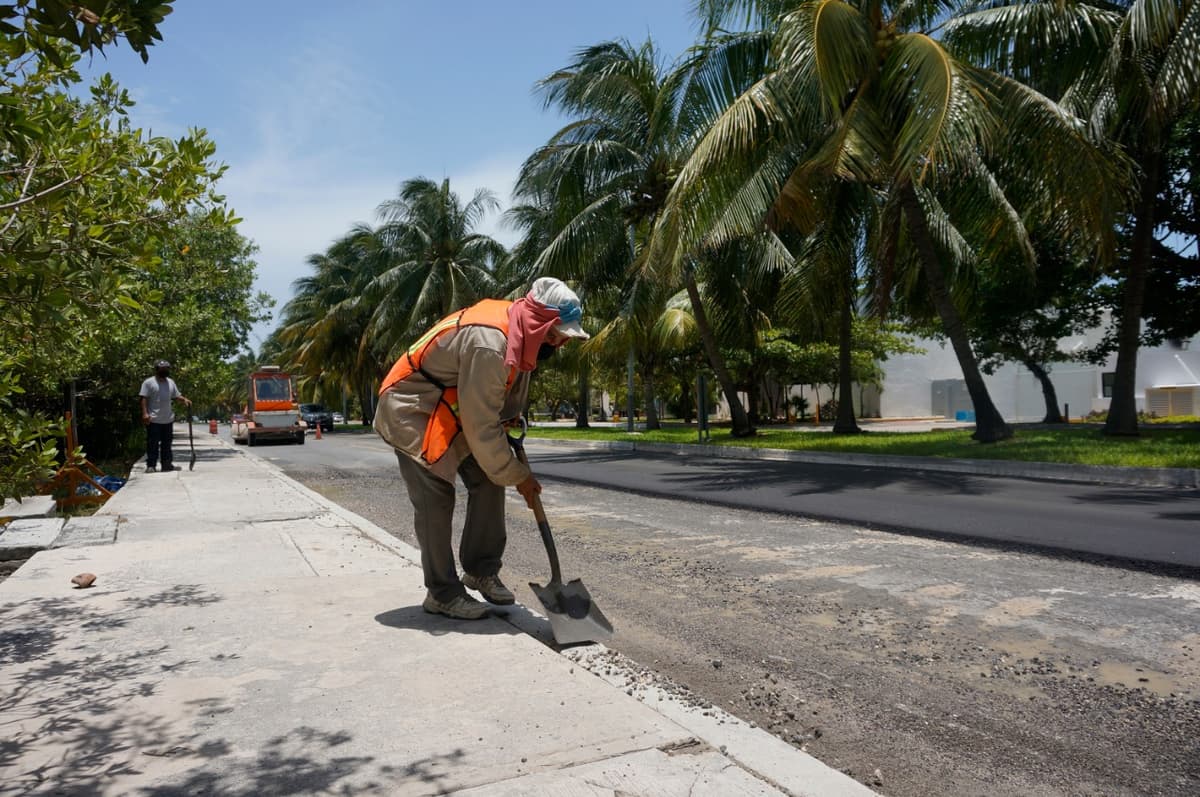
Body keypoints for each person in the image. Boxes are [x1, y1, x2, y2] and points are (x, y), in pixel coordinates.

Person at [374, 278, 589, 620]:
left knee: (490, 480)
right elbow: (481, 427)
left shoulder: (521, 334)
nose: (558, 344)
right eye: (555, 334)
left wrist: (509, 439)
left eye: (562, 339)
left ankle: (480, 569)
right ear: (539, 322)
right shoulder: (491, 341)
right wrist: (519, 475)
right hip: (414, 409)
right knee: (436, 496)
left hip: (452, 410)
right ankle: (442, 592)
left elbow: (496, 404)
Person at [139, 360, 191, 473]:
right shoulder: (148, 382)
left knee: (167, 444)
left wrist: (184, 400)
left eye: (167, 368)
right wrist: (145, 414)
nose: (165, 371)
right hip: (153, 419)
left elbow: (176, 395)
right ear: (157, 369)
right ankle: (151, 465)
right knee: (152, 444)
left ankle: (166, 465)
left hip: (167, 419)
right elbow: (144, 398)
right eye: (162, 369)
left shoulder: (170, 382)